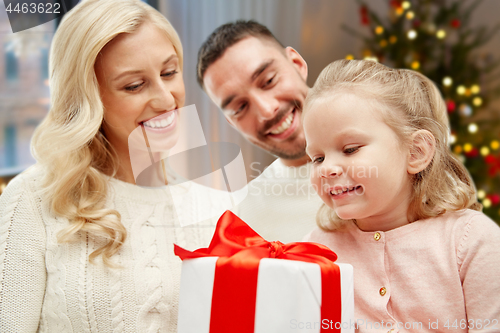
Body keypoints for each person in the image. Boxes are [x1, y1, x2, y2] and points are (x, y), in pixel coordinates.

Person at [0, 0, 231, 331]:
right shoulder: (34, 200)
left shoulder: (212, 208)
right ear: (89, 97)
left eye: (169, 72)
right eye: (134, 85)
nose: (167, 100)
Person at [303, 59, 500, 332]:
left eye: (350, 149)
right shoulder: (317, 251)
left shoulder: (470, 240)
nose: (327, 169)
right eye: (317, 157)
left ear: (416, 152)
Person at [197, 20, 322, 242]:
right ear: (232, 122)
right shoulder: (245, 222)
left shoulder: (399, 138)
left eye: (269, 81)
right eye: (240, 107)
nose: (266, 110)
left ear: (296, 63)